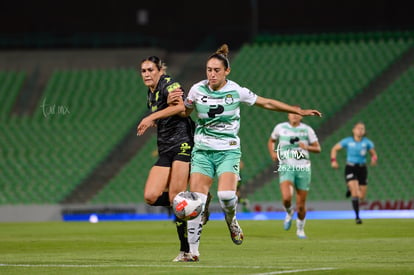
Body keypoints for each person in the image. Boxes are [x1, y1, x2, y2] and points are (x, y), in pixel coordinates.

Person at [168, 44, 322, 261]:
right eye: (209, 70)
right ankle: (192, 252)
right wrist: (173, 105)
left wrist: (297, 110)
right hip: (202, 150)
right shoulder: (196, 90)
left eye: (217, 70)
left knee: (226, 196)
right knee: (198, 201)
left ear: (227, 71)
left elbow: (266, 102)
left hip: (228, 150)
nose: (212, 74)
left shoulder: (236, 91)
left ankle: (231, 221)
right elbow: (186, 111)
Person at [136, 56, 195, 262]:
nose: (146, 74)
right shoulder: (151, 93)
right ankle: (195, 206)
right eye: (143, 71)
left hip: (182, 143)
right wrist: (158, 115)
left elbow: (182, 108)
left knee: (175, 198)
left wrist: (151, 117)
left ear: (160, 70)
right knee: (151, 196)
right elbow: (166, 111)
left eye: (150, 70)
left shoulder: (170, 83)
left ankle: (186, 251)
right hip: (165, 148)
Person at [267, 111, 321, 238]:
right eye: (292, 113)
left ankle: (300, 229)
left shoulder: (307, 130)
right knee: (286, 198)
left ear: (301, 116)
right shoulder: (280, 127)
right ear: (288, 115)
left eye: (297, 113)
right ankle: (289, 211)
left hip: (303, 168)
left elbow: (318, 148)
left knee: (301, 204)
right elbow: (271, 141)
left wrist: (307, 147)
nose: (295, 115)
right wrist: (273, 153)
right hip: (286, 166)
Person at [330, 121, 377, 224]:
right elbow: (334, 149)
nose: (360, 130)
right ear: (354, 130)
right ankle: (357, 217)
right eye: (358, 128)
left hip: (362, 168)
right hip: (350, 167)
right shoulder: (348, 141)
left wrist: (374, 159)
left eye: (362, 129)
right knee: (355, 193)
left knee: (362, 197)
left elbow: (373, 153)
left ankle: (350, 189)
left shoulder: (367, 142)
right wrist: (333, 161)